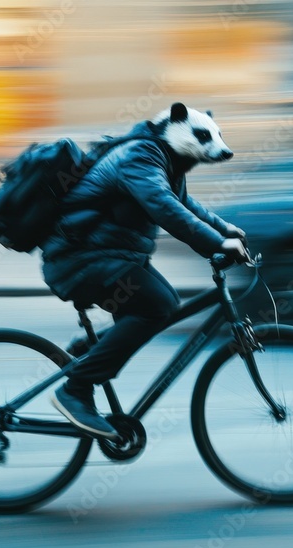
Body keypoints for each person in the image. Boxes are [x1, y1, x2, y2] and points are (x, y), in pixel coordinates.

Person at [41, 103, 246, 439]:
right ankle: (75, 391)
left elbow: (183, 203)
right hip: (80, 260)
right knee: (157, 306)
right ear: (173, 124)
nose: (218, 146)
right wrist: (216, 245)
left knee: (163, 303)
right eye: (204, 137)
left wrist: (226, 230)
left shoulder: (165, 160)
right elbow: (163, 206)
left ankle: (87, 350)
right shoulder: (140, 155)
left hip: (110, 258)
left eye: (217, 136)